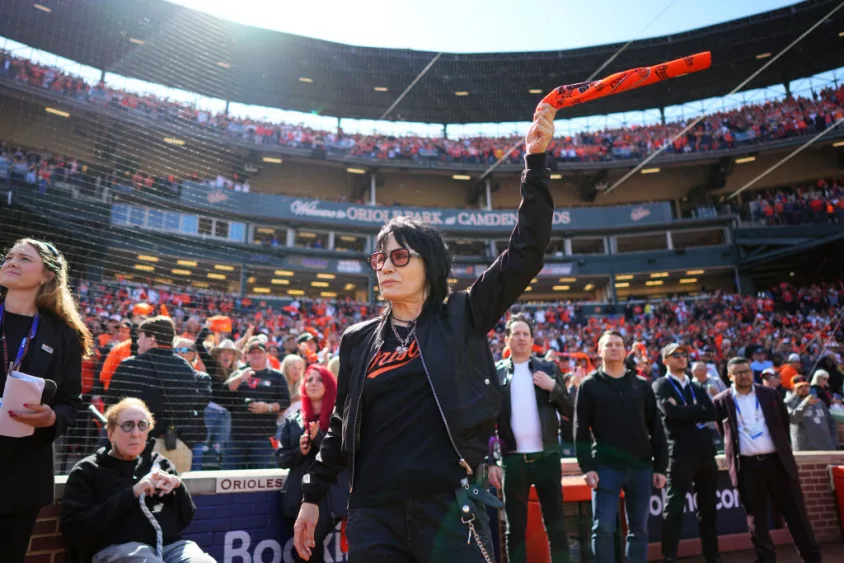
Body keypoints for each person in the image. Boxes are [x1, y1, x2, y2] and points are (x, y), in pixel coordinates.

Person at [293, 103, 557, 563]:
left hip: (449, 505)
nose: (386, 266)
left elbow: (526, 253)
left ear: (428, 266)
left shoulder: (462, 314)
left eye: (400, 257)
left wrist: (535, 163)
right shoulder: (358, 339)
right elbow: (340, 425)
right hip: (372, 512)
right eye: (380, 258)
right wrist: (313, 495)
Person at [0, 238, 92, 563]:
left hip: (21, 475)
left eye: (24, 258)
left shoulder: (64, 336)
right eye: (8, 257)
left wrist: (51, 417)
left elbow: (71, 402)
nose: (11, 262)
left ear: (47, 275)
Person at [60, 398, 215, 563]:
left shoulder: (160, 464)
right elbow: (73, 530)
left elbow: (184, 520)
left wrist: (178, 488)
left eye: (142, 425)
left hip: (168, 548)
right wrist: (133, 492)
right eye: (127, 425)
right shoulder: (88, 470)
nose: (135, 433)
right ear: (111, 433)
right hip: (115, 549)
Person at [713, 357, 821, 563]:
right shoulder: (721, 400)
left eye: (746, 371)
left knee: (796, 514)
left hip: (777, 463)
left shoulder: (769, 393)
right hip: (747, 466)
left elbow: (782, 422)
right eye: (738, 372)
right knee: (756, 518)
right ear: (729, 376)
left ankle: (812, 558)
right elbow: (723, 430)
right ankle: (765, 559)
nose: (744, 375)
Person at [574, 330, 668, 563]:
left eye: (618, 344)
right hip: (605, 468)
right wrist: (587, 467)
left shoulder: (642, 386)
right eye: (609, 345)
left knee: (639, 530)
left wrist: (661, 467)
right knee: (603, 529)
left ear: (626, 351)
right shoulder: (588, 386)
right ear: (599, 351)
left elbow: (656, 428)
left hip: (641, 466)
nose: (614, 348)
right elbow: (580, 431)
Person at [488, 313, 573, 563]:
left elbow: (570, 410)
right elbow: (486, 422)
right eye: (516, 333)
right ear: (507, 339)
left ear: (533, 339)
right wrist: (490, 461)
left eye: (526, 333)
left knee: (556, 525)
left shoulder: (548, 368)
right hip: (513, 462)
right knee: (514, 530)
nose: (521, 338)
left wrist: (553, 388)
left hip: (547, 458)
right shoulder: (496, 372)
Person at [107, 316, 210, 473]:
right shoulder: (187, 369)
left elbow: (112, 405)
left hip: (134, 449)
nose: (137, 342)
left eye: (141, 337)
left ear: (152, 339)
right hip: (176, 449)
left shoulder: (130, 366)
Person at [651, 344, 720, 563]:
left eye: (684, 354)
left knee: (708, 509)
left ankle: (712, 556)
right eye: (676, 355)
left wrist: (686, 411)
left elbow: (712, 412)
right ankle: (669, 556)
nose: (682, 358)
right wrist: (696, 409)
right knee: (674, 508)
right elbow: (669, 412)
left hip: (705, 452)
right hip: (679, 453)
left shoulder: (697, 386)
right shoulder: (660, 385)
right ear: (665, 360)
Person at [277, 365, 348, 563]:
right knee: (305, 553)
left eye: (319, 379)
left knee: (308, 551)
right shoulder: (293, 420)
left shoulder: (339, 417)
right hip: (297, 494)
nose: (313, 383)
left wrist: (319, 438)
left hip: (328, 496)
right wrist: (300, 451)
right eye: (309, 379)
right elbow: (281, 459)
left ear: (329, 385)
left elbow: (344, 454)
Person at [224, 337, 290, 469]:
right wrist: (240, 378)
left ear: (266, 355)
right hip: (237, 436)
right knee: (230, 476)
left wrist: (268, 407)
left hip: (264, 437)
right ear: (246, 356)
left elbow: (285, 401)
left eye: (259, 352)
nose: (256, 355)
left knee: (259, 477)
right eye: (252, 352)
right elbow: (224, 392)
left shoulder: (276, 376)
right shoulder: (238, 374)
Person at [196, 336, 240, 469]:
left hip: (225, 415)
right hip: (209, 411)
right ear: (218, 354)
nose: (227, 355)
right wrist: (206, 329)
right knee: (204, 445)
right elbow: (198, 344)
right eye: (224, 352)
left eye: (230, 353)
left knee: (218, 448)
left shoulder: (236, 373)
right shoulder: (212, 366)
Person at [787, 380, 837, 451]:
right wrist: (805, 403)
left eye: (806, 386)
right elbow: (793, 419)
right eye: (800, 387)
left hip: (826, 447)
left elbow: (830, 421)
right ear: (793, 388)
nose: (804, 389)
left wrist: (832, 441)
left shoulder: (817, 401)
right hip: (805, 449)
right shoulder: (789, 402)